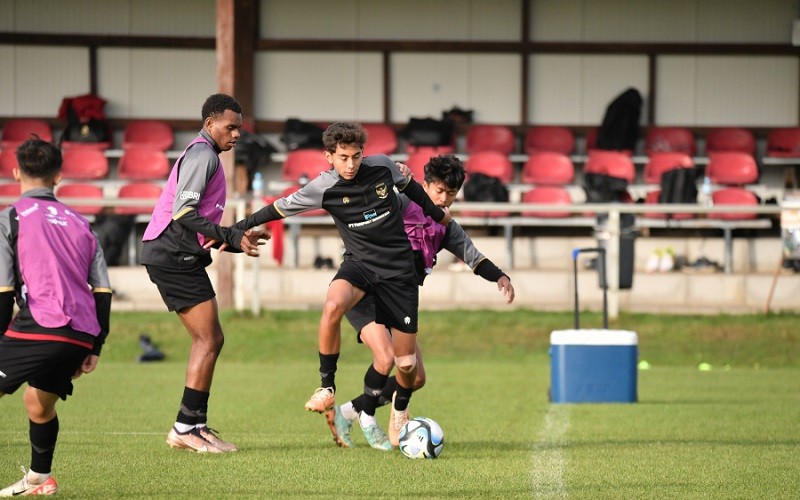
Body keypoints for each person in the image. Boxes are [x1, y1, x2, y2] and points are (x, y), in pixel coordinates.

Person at [232, 122, 452, 449]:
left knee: (407, 366)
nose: (350, 164)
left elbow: (413, 191)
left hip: (398, 274)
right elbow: (278, 208)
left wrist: (439, 216)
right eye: (343, 157)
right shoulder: (322, 187)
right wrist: (233, 230)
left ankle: (394, 411)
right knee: (333, 304)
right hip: (360, 267)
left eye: (356, 156)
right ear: (329, 156)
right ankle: (326, 388)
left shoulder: (383, 167)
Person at [325, 154, 515, 449]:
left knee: (414, 377)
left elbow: (474, 257)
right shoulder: (400, 204)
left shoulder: (447, 226)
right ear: (423, 185)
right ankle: (373, 419)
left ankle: (348, 412)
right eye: (438, 191)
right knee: (387, 358)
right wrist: (393, 174)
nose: (444, 199)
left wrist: (500, 276)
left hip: (400, 299)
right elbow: (374, 192)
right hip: (369, 292)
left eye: (450, 194)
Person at [141, 93, 266, 454]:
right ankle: (186, 427)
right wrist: (230, 235)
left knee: (211, 339)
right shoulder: (202, 154)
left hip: (176, 252)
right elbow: (183, 211)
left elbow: (194, 217)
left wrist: (221, 237)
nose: (237, 134)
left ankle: (193, 424)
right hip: (171, 253)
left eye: (239, 128)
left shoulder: (205, 155)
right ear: (210, 124)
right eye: (230, 127)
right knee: (209, 339)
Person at [0, 138, 112, 496]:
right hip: (79, 335)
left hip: (39, 328)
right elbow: (103, 291)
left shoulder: (10, 217)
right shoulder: (82, 223)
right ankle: (39, 478)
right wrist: (95, 346)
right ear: (59, 176)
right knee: (37, 402)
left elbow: (3, 291)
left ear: (16, 172)